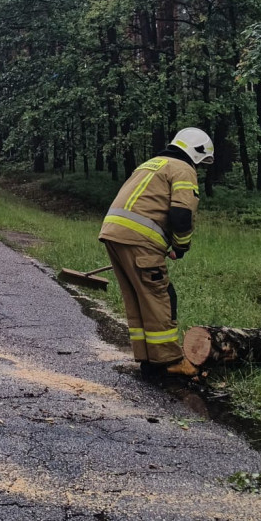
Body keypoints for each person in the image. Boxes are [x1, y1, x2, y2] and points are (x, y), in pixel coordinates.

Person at [98, 127, 214, 379]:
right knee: (161, 296)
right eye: (201, 163)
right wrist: (181, 246)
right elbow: (181, 214)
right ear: (196, 153)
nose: (199, 168)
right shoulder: (183, 169)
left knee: (138, 298)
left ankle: (148, 360)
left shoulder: (152, 164)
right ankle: (169, 361)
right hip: (140, 239)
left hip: (113, 234)